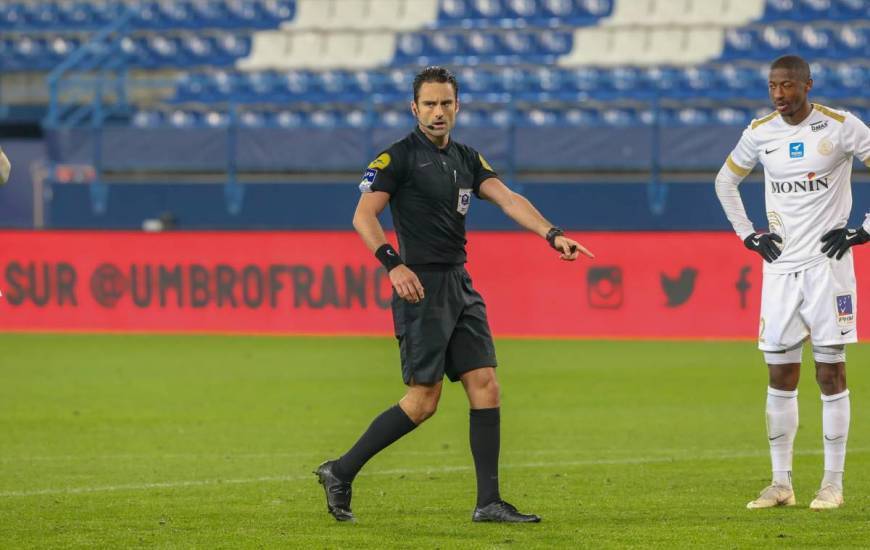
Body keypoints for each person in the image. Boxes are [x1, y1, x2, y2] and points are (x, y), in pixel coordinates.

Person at [314, 66, 593, 523]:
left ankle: (488, 503)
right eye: (429, 104)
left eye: (445, 103)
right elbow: (363, 216)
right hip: (419, 285)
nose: (438, 112)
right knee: (423, 403)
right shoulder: (397, 158)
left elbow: (508, 198)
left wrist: (551, 233)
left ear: (457, 106)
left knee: (485, 385)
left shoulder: (467, 158)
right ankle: (341, 471)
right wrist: (393, 263)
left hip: (459, 284)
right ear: (414, 108)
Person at [715, 55, 870, 510]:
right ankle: (780, 484)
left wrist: (864, 229)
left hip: (828, 268)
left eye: (787, 86)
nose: (779, 95)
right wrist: (749, 234)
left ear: (807, 85)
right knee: (779, 375)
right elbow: (725, 183)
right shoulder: (760, 133)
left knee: (829, 372)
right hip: (780, 270)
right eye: (772, 86)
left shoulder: (841, 126)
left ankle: (832, 485)